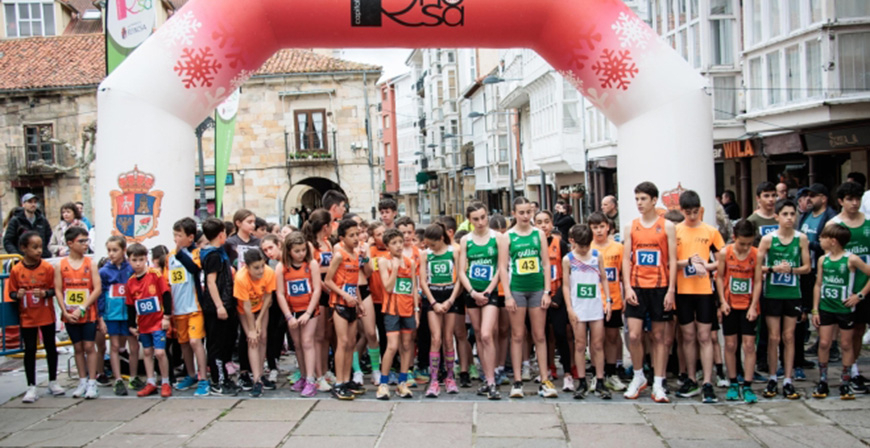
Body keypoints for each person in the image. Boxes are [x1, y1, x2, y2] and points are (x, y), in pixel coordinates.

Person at [622, 182, 676, 403]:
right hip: (636, 286)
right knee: (634, 335)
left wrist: (671, 290)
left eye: (643, 199)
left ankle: (659, 382)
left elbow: (672, 259)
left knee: (659, 337)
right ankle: (638, 376)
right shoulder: (630, 226)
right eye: (636, 199)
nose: (639, 203)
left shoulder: (667, 226)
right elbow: (626, 258)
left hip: (659, 286)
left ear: (654, 200)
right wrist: (627, 287)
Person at [753, 199, 810, 400]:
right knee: (774, 337)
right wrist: (773, 269)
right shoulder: (768, 239)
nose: (789, 218)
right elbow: (757, 266)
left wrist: (791, 269)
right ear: (777, 216)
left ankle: (788, 378)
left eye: (792, 214)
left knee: (789, 336)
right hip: (772, 293)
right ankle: (771, 377)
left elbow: (807, 267)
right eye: (785, 214)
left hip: (792, 293)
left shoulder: (801, 238)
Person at [674, 190, 726, 403]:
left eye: (695, 212)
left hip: (704, 291)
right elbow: (669, 263)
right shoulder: (675, 231)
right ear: (681, 211)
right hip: (683, 290)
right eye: (688, 212)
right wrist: (688, 262)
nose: (692, 216)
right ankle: (690, 377)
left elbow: (723, 260)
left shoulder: (710, 231)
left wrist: (707, 266)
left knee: (705, 336)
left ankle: (707, 381)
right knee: (687, 336)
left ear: (701, 210)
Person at [503, 197, 558, 399]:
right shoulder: (507, 236)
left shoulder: (538, 234)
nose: (526, 216)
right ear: (514, 213)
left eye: (528, 212)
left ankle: (545, 379)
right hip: (517, 289)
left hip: (536, 290)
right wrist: (507, 295)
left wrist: (547, 291)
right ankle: (517, 381)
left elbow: (545, 264)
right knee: (518, 335)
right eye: (521, 212)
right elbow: (502, 267)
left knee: (540, 335)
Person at [811, 224, 870, 400]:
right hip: (826, 307)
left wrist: (859, 295)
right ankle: (823, 380)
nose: (820, 240)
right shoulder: (823, 259)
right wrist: (815, 309)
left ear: (833, 241)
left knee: (846, 344)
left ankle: (845, 381)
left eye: (823, 237)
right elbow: (818, 284)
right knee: (824, 343)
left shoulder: (851, 259)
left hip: (844, 308)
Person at [458, 202, 507, 400]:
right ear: (469, 221)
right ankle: (487, 379)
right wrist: (472, 291)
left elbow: (501, 268)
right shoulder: (466, 240)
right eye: (475, 219)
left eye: (483, 217)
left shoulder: (498, 238)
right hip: (472, 291)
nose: (480, 222)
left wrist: (487, 291)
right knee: (478, 335)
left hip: (490, 291)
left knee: (487, 334)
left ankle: (493, 380)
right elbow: (461, 270)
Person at [10, 232, 64, 403]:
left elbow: (54, 290)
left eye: (41, 247)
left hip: (46, 314)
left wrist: (45, 293)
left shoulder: (47, 268)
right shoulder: (17, 270)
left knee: (50, 347)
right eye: (34, 247)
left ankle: (53, 381)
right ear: (23, 248)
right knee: (30, 349)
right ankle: (31, 386)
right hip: (27, 316)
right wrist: (16, 294)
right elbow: (11, 292)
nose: (39, 251)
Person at [827, 181, 870, 394]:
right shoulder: (834, 224)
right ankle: (850, 370)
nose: (854, 203)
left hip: (866, 282)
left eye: (857, 199)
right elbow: (826, 254)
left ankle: (854, 367)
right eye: (850, 199)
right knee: (847, 331)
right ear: (841, 201)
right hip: (844, 285)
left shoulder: (868, 223)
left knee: (860, 328)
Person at [564, 223, 613, 400]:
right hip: (578, 306)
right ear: (573, 242)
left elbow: (604, 278)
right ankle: (582, 381)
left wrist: (608, 300)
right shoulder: (568, 259)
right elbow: (566, 285)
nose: (584, 249)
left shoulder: (596, 256)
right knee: (579, 344)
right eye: (581, 245)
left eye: (587, 245)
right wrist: (569, 308)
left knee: (598, 343)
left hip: (595, 305)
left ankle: (600, 380)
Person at [54, 226, 101, 399]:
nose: (85, 244)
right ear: (70, 243)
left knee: (89, 345)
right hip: (70, 314)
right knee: (78, 347)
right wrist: (65, 311)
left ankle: (92, 382)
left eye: (86, 241)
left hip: (87, 313)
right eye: (81, 241)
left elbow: (97, 288)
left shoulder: (91, 263)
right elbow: (58, 289)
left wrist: (83, 307)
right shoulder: (61, 265)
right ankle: (82, 380)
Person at [716, 219, 760, 404]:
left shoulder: (756, 254)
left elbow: (758, 281)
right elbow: (718, 277)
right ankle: (733, 382)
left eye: (749, 243)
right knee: (731, 344)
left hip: (748, 305)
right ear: (734, 238)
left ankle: (748, 384)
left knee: (749, 345)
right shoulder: (725, 253)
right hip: (730, 305)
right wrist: (723, 302)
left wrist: (753, 306)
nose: (745, 247)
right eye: (742, 243)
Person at [796, 183, 836, 377]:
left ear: (824, 198)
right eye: (807, 195)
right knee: (803, 310)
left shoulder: (830, 217)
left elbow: (830, 244)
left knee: (821, 308)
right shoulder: (806, 216)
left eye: (813, 195)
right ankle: (807, 347)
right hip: (805, 269)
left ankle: (830, 344)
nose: (809, 199)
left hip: (820, 267)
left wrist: (808, 243)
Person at [123, 243, 172, 398]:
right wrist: (131, 325)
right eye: (134, 260)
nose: (138, 263)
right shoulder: (130, 282)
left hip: (158, 321)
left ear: (146, 259)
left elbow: (166, 295)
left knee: (160, 352)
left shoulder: (155, 275)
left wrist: (167, 317)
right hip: (143, 323)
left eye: (141, 259)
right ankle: (151, 382)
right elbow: (130, 305)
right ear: (129, 261)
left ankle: (165, 381)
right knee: (147, 351)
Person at [375, 228, 419, 400]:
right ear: (387, 246)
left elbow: (414, 287)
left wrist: (416, 310)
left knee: (407, 345)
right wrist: (394, 269)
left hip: (407, 308)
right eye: (394, 243)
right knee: (392, 346)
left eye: (400, 242)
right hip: (391, 309)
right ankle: (383, 383)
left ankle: (402, 382)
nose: (399, 246)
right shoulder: (384, 261)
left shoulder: (410, 262)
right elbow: (387, 287)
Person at [167, 218, 209, 397]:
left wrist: (179, 253)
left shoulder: (195, 253)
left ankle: (203, 378)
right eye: (174, 235)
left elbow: (194, 269)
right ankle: (190, 374)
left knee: (195, 341)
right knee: (183, 343)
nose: (176, 238)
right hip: (179, 308)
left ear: (190, 238)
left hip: (195, 307)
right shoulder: (169, 257)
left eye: (179, 235)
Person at [276, 232, 321, 397]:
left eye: (303, 250)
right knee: (298, 344)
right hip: (292, 311)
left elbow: (317, 289)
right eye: (297, 251)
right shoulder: (281, 267)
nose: (301, 254)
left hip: (309, 310)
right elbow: (280, 293)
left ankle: (310, 379)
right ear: (289, 251)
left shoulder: (312, 264)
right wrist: (288, 316)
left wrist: (308, 313)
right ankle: (303, 375)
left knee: (307, 341)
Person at [421, 222, 463, 397]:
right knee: (436, 338)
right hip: (433, 296)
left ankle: (450, 376)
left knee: (448, 338)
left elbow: (460, 278)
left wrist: (451, 300)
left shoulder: (454, 252)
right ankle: (434, 379)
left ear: (441, 239)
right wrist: (433, 302)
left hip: (450, 294)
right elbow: (423, 281)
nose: (430, 247)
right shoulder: (425, 254)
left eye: (433, 244)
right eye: (428, 245)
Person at [323, 218, 364, 400]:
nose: (356, 238)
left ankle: (347, 380)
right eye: (351, 235)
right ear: (342, 237)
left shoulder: (356, 255)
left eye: (357, 234)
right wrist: (344, 295)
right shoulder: (339, 254)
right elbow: (328, 280)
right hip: (339, 304)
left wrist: (359, 301)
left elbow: (354, 282)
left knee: (350, 343)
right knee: (342, 341)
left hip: (352, 303)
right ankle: (339, 382)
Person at [200, 218, 239, 396]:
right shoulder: (213, 255)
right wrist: (219, 306)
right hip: (217, 306)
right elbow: (211, 281)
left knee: (226, 342)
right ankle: (218, 380)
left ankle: (224, 377)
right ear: (221, 234)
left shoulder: (218, 252)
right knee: (216, 344)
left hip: (226, 303)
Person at [589, 212, 627, 392]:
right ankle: (598, 375)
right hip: (592, 300)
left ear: (608, 227)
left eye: (601, 226)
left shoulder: (618, 247)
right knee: (596, 340)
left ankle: (612, 372)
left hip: (614, 300)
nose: (598, 231)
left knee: (612, 337)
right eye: (595, 227)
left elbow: (623, 275)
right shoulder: (586, 248)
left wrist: (626, 294)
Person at [535, 210, 573, 391]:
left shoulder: (561, 243)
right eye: (539, 222)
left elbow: (568, 273)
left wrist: (557, 297)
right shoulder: (533, 244)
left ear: (552, 224)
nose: (543, 225)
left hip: (557, 296)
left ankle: (568, 372)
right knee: (541, 335)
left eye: (546, 222)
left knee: (560, 334)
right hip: (539, 296)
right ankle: (547, 369)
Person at [99, 236, 140, 396]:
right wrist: (101, 316)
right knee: (115, 346)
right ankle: (118, 379)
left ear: (124, 250)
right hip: (113, 315)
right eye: (109, 250)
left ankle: (134, 377)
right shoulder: (104, 272)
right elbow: (101, 295)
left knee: (134, 346)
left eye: (115, 250)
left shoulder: (130, 268)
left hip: (130, 314)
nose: (111, 254)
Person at [234, 249, 275, 397]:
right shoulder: (241, 278)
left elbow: (268, 297)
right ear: (247, 266)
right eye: (256, 268)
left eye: (262, 266)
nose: (260, 271)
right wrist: (252, 328)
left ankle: (261, 373)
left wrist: (259, 320)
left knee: (263, 336)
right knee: (253, 339)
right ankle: (256, 379)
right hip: (246, 311)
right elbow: (245, 306)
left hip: (262, 307)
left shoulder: (269, 273)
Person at [304, 209, 335, 391]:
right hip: (319, 290)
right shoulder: (310, 245)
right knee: (318, 334)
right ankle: (317, 374)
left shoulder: (328, 244)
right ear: (325, 226)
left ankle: (324, 369)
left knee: (326, 335)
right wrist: (326, 287)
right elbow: (311, 271)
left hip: (330, 290)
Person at [3, 193, 51, 258]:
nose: (33, 204)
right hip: (22, 259)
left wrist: (42, 251)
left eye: (35, 202)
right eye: (30, 202)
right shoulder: (16, 221)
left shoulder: (42, 220)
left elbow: (48, 237)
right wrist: (17, 255)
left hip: (41, 258)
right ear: (23, 204)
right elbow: (8, 241)